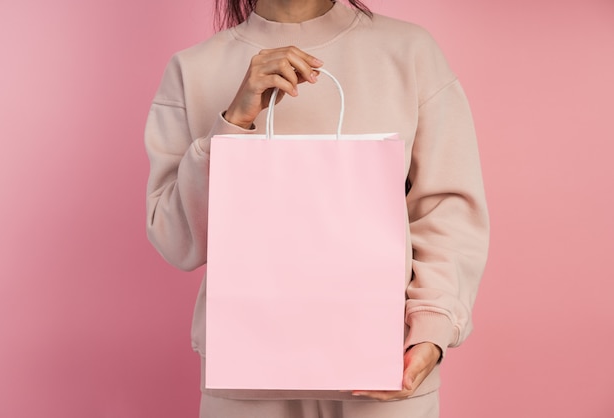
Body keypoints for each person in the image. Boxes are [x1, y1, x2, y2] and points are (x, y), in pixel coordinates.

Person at [145, 0, 489, 416]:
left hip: (385, 376)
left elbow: (447, 209)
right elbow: (176, 240)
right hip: (248, 385)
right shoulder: (192, 69)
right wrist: (233, 123)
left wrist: (432, 329)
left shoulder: (409, 51)